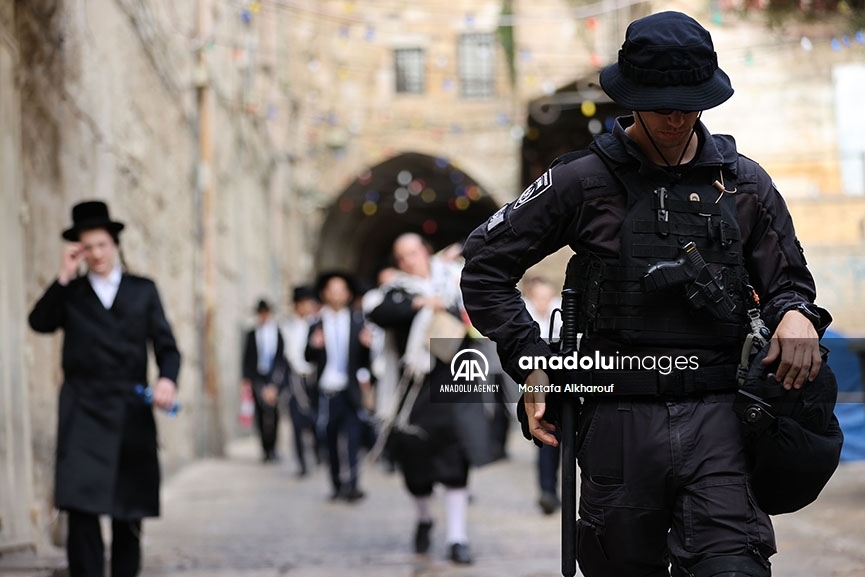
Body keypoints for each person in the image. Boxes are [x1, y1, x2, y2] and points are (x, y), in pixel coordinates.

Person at [461, 12, 827, 577]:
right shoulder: (583, 181)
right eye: (662, 106)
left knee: (736, 568)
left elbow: (788, 282)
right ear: (631, 99)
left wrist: (796, 315)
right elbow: (485, 263)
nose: (679, 118)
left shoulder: (745, 183)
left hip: (720, 417)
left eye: (691, 103)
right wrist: (530, 360)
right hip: (617, 416)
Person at [28, 200, 181, 577]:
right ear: (78, 250)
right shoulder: (72, 293)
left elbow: (167, 346)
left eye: (101, 245)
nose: (95, 254)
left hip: (130, 409)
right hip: (82, 409)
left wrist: (166, 380)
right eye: (87, 247)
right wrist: (63, 275)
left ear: (114, 244)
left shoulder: (143, 290)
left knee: (127, 511)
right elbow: (40, 322)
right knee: (81, 507)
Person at [365, 233, 488, 565]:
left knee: (455, 458)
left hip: (453, 383)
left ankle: (457, 538)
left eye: (414, 252)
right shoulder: (398, 291)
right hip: (414, 390)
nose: (410, 260)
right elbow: (380, 313)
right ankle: (424, 517)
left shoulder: (456, 279)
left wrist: (446, 305)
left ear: (425, 251)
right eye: (402, 256)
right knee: (415, 464)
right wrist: (420, 303)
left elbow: (482, 311)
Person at [305, 271, 370, 502]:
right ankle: (336, 484)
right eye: (332, 290)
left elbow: (365, 360)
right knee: (330, 440)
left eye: (341, 290)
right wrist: (314, 345)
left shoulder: (357, 321)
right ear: (324, 294)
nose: (336, 294)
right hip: (327, 391)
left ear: (348, 294)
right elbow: (308, 356)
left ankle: (353, 484)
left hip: (349, 390)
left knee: (353, 439)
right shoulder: (317, 323)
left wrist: (366, 347)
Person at [522, 276, 563, 515]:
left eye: (547, 298)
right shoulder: (524, 316)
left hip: (566, 386)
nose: (544, 303)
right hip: (539, 390)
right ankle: (548, 492)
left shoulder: (561, 312)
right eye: (539, 298)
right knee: (547, 441)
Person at [281, 284, 322, 477]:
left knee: (315, 421)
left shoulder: (317, 325)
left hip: (314, 379)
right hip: (294, 379)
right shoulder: (286, 327)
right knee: (297, 423)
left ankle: (319, 455)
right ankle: (302, 464)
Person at [242, 298, 289, 463]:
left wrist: (276, 383)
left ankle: (274, 447)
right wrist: (247, 379)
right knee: (260, 413)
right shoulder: (252, 334)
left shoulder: (277, 332)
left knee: (274, 413)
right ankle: (265, 449)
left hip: (273, 376)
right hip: (258, 376)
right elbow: (246, 358)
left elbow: (281, 358)